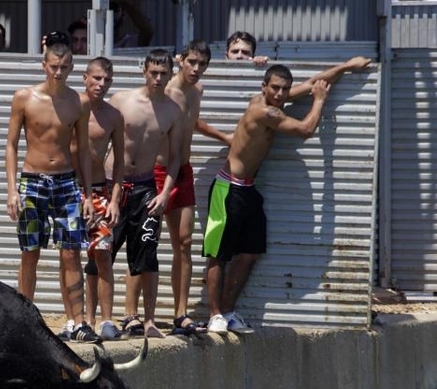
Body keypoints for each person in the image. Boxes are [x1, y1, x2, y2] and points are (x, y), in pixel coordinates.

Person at [204, 57, 371, 334]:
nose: (280, 94)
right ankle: (214, 315)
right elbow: (306, 130)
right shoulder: (264, 112)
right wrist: (319, 101)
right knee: (217, 254)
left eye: (284, 89)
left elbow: (312, 82)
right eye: (275, 89)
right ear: (264, 87)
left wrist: (345, 67)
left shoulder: (276, 103)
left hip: (247, 190)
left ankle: (229, 311)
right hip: (227, 189)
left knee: (250, 254)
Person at [5, 40, 98, 343]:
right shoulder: (24, 97)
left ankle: (78, 321)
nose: (59, 72)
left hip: (66, 182)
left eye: (65, 67)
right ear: (44, 66)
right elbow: (11, 144)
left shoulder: (79, 102)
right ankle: (23, 320)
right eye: (54, 66)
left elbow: (83, 149)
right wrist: (11, 190)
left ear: (72, 68)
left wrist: (86, 193)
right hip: (32, 181)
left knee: (71, 252)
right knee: (29, 252)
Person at [107, 49, 183, 339]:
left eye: (164, 73)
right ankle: (102, 319)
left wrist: (165, 194)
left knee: (147, 256)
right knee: (103, 252)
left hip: (145, 188)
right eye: (153, 72)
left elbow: (175, 157)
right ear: (144, 70)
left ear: (171, 73)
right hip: (114, 185)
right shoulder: (122, 100)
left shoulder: (172, 110)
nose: (158, 78)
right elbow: (98, 141)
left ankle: (148, 320)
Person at [161, 40, 214, 336]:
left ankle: (180, 313)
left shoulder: (198, 92)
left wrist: (225, 137)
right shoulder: (165, 92)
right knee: (144, 242)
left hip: (183, 172)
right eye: (192, 62)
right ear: (180, 60)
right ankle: (133, 314)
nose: (196, 69)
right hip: (156, 172)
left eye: (202, 64)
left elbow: (191, 123)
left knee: (184, 243)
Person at [79, 57, 124, 340]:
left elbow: (120, 160)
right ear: (85, 78)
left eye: (107, 80)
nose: (101, 85)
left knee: (103, 254)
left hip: (99, 190)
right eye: (96, 79)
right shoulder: (73, 108)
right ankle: (82, 319)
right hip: (71, 189)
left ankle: (106, 320)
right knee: (70, 255)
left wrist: (116, 198)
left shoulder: (113, 116)